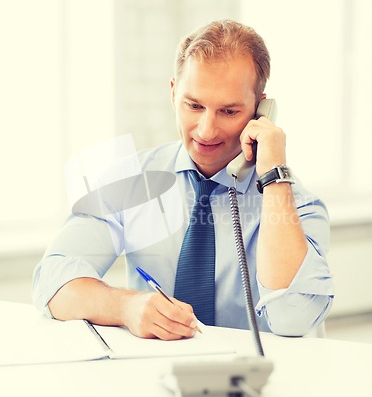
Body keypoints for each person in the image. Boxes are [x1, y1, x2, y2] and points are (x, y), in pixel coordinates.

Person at [32, 19, 334, 340]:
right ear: (173, 93)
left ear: (261, 109)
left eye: (229, 111)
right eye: (194, 105)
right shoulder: (133, 180)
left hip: (262, 380)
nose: (206, 130)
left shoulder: (297, 204)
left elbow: (294, 319)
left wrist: (274, 176)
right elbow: (51, 280)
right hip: (159, 374)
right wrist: (126, 306)